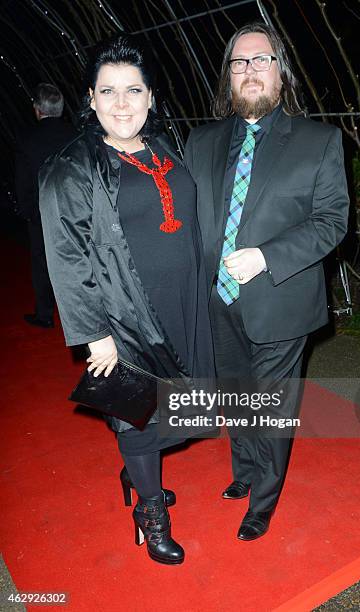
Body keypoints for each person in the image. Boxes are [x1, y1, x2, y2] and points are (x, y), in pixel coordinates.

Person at [39, 35, 214, 565]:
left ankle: (135, 470)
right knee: (138, 416)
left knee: (186, 410)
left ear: (151, 96)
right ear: (89, 100)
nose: (121, 103)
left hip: (182, 303)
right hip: (123, 311)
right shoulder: (73, 165)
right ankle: (150, 510)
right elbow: (67, 254)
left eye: (133, 90)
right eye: (108, 91)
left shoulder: (162, 147)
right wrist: (95, 332)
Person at [184, 22, 349, 541]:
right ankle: (245, 472)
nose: (250, 70)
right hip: (216, 299)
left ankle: (264, 498)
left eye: (261, 60)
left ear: (282, 72)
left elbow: (331, 221)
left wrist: (266, 256)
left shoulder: (320, 141)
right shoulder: (201, 140)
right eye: (240, 62)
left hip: (281, 296)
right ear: (228, 76)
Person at [15, 83, 76, 328]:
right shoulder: (75, 135)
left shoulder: (28, 140)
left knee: (42, 263)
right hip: (74, 211)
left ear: (38, 109)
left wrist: (27, 210)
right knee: (75, 261)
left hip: (41, 212)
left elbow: (23, 180)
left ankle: (44, 314)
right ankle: (78, 315)